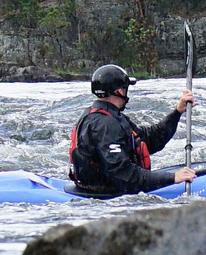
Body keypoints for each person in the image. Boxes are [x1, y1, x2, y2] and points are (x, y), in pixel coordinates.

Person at [68, 64, 198, 195]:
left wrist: (177, 112)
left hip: (103, 187)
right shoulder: (105, 125)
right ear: (119, 91)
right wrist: (173, 178)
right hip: (104, 195)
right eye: (125, 88)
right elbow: (123, 174)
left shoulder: (107, 116)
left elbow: (149, 140)